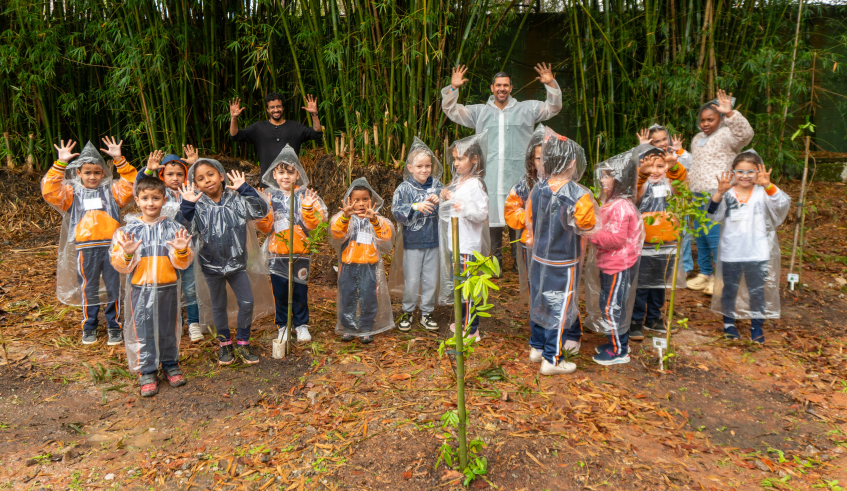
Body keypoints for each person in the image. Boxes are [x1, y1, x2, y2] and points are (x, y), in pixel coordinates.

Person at [441, 63, 562, 272]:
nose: (502, 89)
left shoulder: (527, 109)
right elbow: (451, 110)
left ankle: (519, 262)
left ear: (511, 88)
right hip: (490, 176)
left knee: (519, 212)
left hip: (519, 174)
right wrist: (453, 88)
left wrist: (550, 83)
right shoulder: (479, 112)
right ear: (492, 88)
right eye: (498, 85)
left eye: (505, 85)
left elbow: (553, 107)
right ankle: (494, 261)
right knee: (491, 215)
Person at [42, 138, 136, 346]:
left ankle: (114, 326)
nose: (92, 176)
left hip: (112, 247)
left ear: (103, 172)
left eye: (96, 172)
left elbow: (133, 185)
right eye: (87, 172)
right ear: (78, 173)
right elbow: (50, 190)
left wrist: (119, 160)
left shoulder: (113, 190)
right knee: (88, 286)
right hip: (86, 247)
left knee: (113, 287)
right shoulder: (71, 192)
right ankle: (89, 325)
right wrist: (60, 164)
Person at [110, 176, 194, 397]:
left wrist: (182, 250)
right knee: (143, 332)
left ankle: (170, 364)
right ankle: (147, 371)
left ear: (164, 200)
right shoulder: (127, 232)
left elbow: (183, 263)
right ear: (137, 200)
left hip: (168, 287)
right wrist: (127, 253)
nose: (150, 203)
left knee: (169, 329)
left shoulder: (174, 229)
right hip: (140, 289)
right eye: (145, 198)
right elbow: (120, 265)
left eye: (155, 198)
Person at [179, 160, 270, 365]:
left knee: (247, 302)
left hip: (237, 265)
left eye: (210, 175)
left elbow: (261, 210)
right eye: (200, 179)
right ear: (196, 184)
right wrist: (187, 204)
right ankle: (224, 344)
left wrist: (246, 189)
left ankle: (243, 342)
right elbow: (182, 228)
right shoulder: (197, 204)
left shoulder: (237, 200)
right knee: (218, 306)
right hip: (211, 266)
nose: (207, 181)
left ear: (221, 176)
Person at [525, 129, 598, 375]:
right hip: (563, 261)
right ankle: (552, 359)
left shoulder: (539, 188)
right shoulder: (578, 194)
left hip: (539, 257)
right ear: (573, 162)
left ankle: (536, 346)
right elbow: (587, 225)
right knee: (560, 308)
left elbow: (529, 220)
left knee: (541, 301)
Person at [708, 151, 789, 343]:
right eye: (740, 171)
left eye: (750, 171)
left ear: (758, 172)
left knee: (757, 291)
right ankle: (729, 324)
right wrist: (719, 192)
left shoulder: (763, 193)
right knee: (729, 289)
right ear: (733, 172)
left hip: (757, 252)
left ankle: (756, 327)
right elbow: (712, 214)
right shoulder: (727, 193)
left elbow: (782, 205)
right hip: (731, 251)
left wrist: (768, 185)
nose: (745, 176)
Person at [256, 145, 327, 343]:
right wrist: (264, 208)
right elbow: (265, 226)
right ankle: (283, 325)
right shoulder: (270, 196)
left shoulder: (306, 196)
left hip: (300, 252)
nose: (285, 176)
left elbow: (315, 224)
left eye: (290, 172)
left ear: (298, 175)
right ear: (274, 175)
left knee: (299, 290)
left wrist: (307, 209)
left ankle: (301, 324)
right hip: (277, 253)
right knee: (279, 291)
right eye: (281, 172)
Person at [685, 90, 754, 295]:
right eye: (703, 120)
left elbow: (746, 134)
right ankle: (705, 273)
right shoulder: (697, 138)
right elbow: (694, 165)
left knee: (715, 235)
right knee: (701, 235)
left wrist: (731, 114)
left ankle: (721, 276)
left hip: (718, 192)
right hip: (698, 193)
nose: (705, 124)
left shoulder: (728, 135)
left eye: (711, 119)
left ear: (721, 120)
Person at [584, 147, 645, 365]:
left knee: (612, 307)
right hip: (611, 264)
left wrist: (591, 233)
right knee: (608, 304)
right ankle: (615, 342)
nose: (602, 180)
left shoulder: (620, 207)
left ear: (619, 180)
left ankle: (620, 350)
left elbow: (615, 239)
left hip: (618, 265)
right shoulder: (613, 204)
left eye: (607, 176)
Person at [142, 146, 204, 341]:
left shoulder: (192, 190)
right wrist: (148, 171)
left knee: (190, 286)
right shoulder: (158, 193)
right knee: (168, 286)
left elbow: (211, 183)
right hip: (163, 249)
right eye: (170, 174)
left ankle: (193, 323)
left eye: (180, 174)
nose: (175, 178)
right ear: (162, 175)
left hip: (187, 248)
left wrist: (195, 166)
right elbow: (140, 187)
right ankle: (173, 323)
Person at [631, 146, 689, 340]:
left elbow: (682, 185)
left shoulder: (670, 182)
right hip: (644, 243)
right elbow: (632, 196)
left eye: (660, 166)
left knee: (659, 283)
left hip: (667, 243)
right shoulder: (641, 184)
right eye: (650, 166)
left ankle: (654, 318)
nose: (655, 171)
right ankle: (635, 321)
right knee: (640, 284)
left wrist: (674, 168)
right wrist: (641, 174)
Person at [438, 132, 491, 342]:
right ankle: (462, 321)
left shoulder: (476, 185)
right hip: (456, 242)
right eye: (454, 159)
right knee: (459, 285)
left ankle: (472, 329)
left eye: (460, 158)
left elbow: (481, 214)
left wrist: (456, 202)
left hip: (468, 246)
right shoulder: (459, 181)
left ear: (474, 159)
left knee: (468, 289)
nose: (456, 163)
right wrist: (446, 195)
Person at [330, 178, 395, 343]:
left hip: (369, 266)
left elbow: (387, 237)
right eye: (356, 200)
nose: (360, 203)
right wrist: (345, 217)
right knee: (347, 297)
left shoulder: (377, 219)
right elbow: (336, 234)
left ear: (371, 201)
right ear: (349, 201)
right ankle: (348, 327)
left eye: (365, 199)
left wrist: (374, 221)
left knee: (369, 298)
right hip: (348, 266)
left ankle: (366, 327)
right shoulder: (345, 217)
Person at [389, 137, 444, 332]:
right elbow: (396, 211)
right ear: (410, 167)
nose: (424, 170)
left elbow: (448, 209)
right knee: (412, 279)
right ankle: (408, 311)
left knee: (430, 279)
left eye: (428, 166)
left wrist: (441, 201)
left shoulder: (438, 186)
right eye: (419, 166)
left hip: (434, 242)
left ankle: (427, 312)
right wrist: (415, 206)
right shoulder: (404, 188)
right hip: (412, 243)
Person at [636, 124, 695, 276]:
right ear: (651, 143)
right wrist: (642, 149)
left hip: (675, 200)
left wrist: (678, 152)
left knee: (682, 234)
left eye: (664, 139)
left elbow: (687, 169)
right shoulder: (645, 158)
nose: (662, 143)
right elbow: (636, 176)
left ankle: (684, 268)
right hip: (651, 204)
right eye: (657, 141)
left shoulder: (674, 155)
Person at [229, 93, 324, 175]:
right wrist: (234, 118)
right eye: (272, 107)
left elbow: (316, 133)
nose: (276, 110)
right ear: (267, 109)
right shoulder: (258, 128)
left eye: (278, 106)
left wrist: (314, 114)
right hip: (267, 184)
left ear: (283, 107)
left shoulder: (295, 127)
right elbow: (235, 136)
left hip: (290, 182)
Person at [504, 124, 544, 297]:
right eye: (538, 158)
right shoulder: (525, 184)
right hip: (531, 242)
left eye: (547, 158)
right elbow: (511, 209)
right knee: (534, 283)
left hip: (558, 246)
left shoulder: (564, 184)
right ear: (531, 160)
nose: (543, 163)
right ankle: (536, 319)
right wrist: (529, 217)